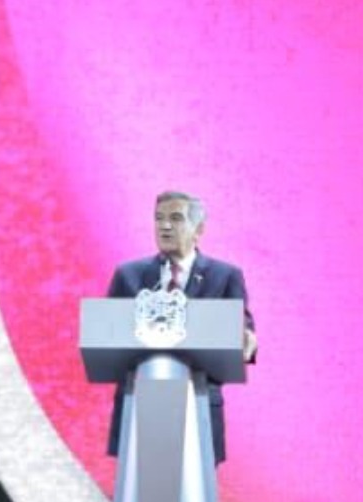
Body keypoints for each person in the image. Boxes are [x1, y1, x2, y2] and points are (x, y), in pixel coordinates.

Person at [105, 190, 257, 465]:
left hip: (198, 405)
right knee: (140, 489)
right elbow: (106, 334)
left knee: (194, 492)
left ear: (198, 229)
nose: (164, 226)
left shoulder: (225, 276)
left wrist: (246, 338)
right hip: (140, 405)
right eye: (158, 218)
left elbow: (242, 327)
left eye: (175, 218)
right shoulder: (129, 275)